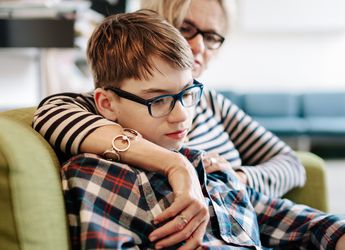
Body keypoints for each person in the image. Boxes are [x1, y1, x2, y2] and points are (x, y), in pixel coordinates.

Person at [61, 10, 345, 249]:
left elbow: (296, 220)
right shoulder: (102, 174)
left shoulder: (207, 164)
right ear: (106, 103)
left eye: (188, 94)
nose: (182, 116)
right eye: (158, 100)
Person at [33, 0, 305, 247]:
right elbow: (51, 114)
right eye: (187, 29)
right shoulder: (111, 104)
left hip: (242, 222)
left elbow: (290, 164)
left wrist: (235, 179)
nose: (198, 46)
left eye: (211, 37)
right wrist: (177, 164)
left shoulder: (209, 100)